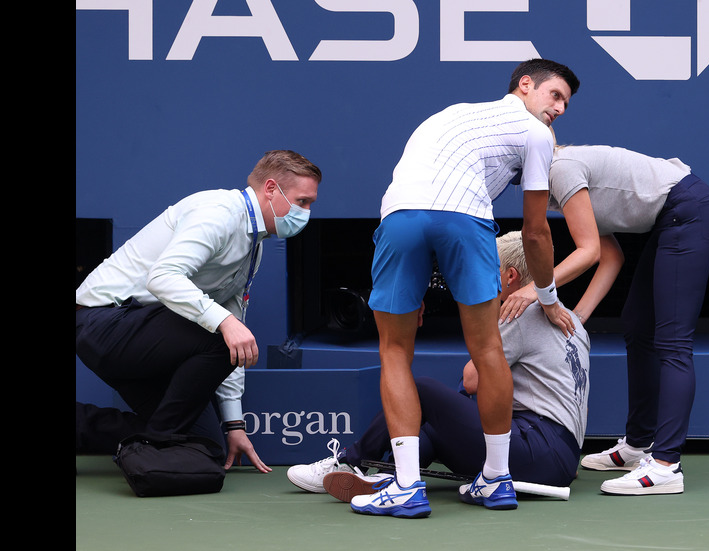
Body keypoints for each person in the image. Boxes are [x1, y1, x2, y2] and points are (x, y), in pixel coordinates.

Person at [358, 58, 580, 517]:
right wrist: (548, 298)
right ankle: (496, 480)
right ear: (525, 85)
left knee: (394, 350)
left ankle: (405, 486)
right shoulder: (538, 135)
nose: (559, 108)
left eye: (565, 103)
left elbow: (422, 200)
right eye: (555, 95)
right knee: (488, 349)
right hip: (466, 220)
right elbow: (537, 233)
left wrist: (415, 286)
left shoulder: (449, 114)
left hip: (400, 217)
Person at [287, 231, 590, 515]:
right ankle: (388, 474)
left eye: (489, 268)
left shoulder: (518, 312)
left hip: (536, 448)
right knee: (431, 428)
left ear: (510, 276)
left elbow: (472, 380)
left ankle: (349, 461)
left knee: (422, 389)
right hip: (561, 459)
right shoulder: (572, 321)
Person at [75, 150, 322, 475]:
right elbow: (162, 277)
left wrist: (234, 423)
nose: (305, 212)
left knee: (205, 447)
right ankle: (155, 444)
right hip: (103, 322)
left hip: (144, 342)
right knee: (222, 333)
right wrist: (223, 321)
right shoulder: (219, 213)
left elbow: (236, 340)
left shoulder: (254, 246)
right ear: (272, 189)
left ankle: (95, 428)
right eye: (302, 202)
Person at [499, 144, 709, 495]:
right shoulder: (555, 185)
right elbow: (611, 255)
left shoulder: (562, 170)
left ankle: (666, 465)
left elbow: (588, 252)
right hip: (674, 215)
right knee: (637, 323)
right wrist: (575, 318)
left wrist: (536, 292)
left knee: (673, 341)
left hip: (688, 210)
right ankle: (639, 444)